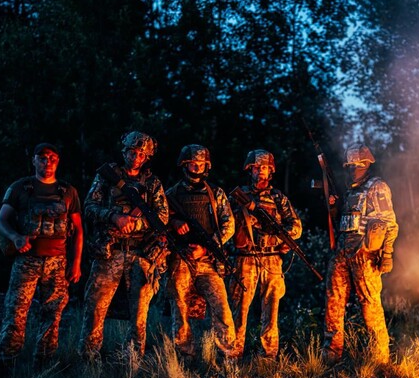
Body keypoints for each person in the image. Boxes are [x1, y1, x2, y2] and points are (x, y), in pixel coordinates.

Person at [0, 142, 83, 373]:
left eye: (52, 158)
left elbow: (78, 230)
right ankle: (4, 369)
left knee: (52, 318)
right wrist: (15, 237)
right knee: (15, 315)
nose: (47, 162)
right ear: (34, 160)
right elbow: (0, 221)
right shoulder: (20, 188)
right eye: (42, 158)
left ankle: (42, 371)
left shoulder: (68, 191)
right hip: (26, 262)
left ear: (58, 161)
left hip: (57, 263)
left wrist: (75, 264)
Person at [79, 131, 168, 360]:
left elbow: (162, 217)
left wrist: (137, 223)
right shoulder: (107, 177)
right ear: (124, 151)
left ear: (146, 156)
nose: (135, 157)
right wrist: (114, 217)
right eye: (132, 151)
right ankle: (89, 360)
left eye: (141, 154)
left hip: (140, 255)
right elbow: (89, 207)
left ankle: (132, 362)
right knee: (95, 309)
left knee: (139, 314)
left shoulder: (152, 183)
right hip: (109, 252)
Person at [322, 143, 398, 365]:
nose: (354, 168)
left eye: (358, 164)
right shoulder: (350, 189)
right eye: (351, 165)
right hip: (342, 254)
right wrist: (334, 207)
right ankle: (331, 356)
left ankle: (380, 359)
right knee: (333, 302)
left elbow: (390, 223)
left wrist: (387, 253)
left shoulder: (377, 187)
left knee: (370, 304)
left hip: (365, 254)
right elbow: (343, 222)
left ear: (367, 164)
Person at [228, 149, 302, 359]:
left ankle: (268, 357)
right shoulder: (238, 196)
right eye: (256, 168)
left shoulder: (278, 198)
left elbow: (296, 227)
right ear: (249, 170)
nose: (260, 172)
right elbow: (224, 226)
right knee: (239, 310)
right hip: (245, 259)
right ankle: (233, 354)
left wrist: (281, 238)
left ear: (271, 171)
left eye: (265, 168)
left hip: (271, 260)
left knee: (271, 310)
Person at [165, 144, 236, 358]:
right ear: (184, 164)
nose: (196, 168)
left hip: (207, 261)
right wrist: (174, 222)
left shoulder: (216, 194)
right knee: (180, 309)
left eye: (201, 164)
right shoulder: (171, 194)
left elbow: (229, 224)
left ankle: (228, 356)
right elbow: (158, 220)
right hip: (180, 258)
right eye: (192, 164)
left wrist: (206, 248)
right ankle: (185, 356)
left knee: (222, 307)